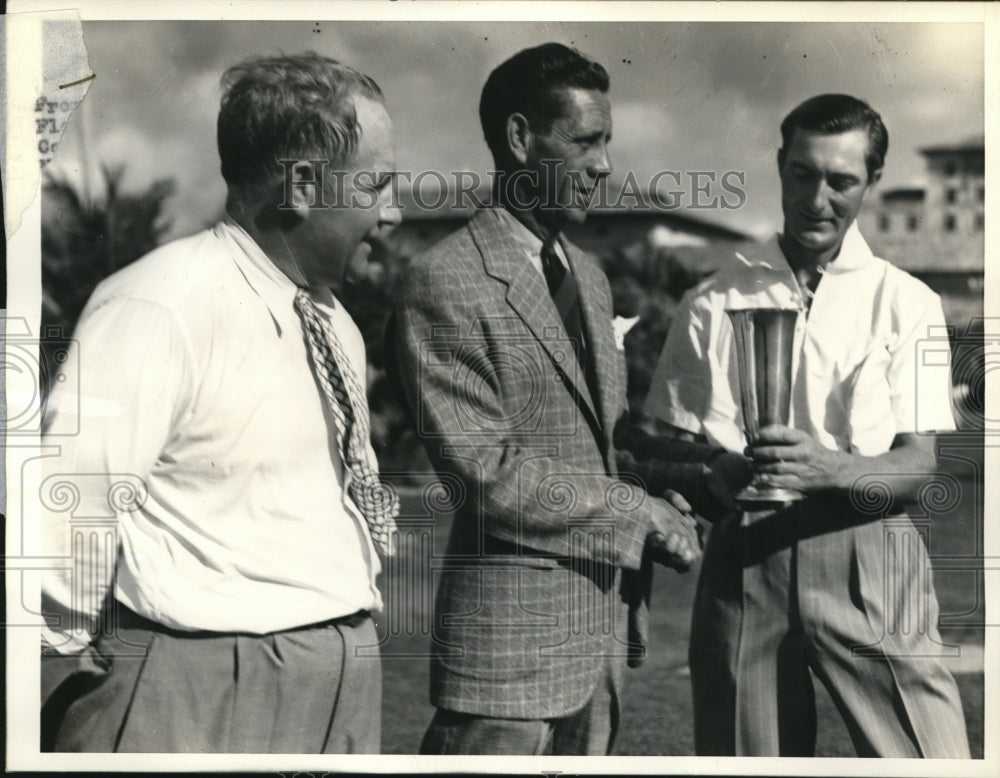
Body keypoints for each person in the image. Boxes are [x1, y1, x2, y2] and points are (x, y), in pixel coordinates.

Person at [39, 52, 401, 753]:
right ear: (302, 186)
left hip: (341, 672)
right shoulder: (158, 304)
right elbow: (66, 513)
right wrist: (68, 669)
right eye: (377, 183)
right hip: (199, 683)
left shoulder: (337, 324)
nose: (394, 211)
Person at [385, 42, 714, 756]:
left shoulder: (588, 276)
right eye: (586, 142)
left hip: (600, 644)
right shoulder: (444, 279)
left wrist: (696, 478)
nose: (603, 165)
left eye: (607, 143)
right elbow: (485, 473)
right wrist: (639, 513)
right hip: (507, 664)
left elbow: (601, 443)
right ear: (519, 139)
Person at [645, 93, 970, 757]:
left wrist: (829, 467)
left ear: (872, 182)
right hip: (744, 562)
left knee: (933, 762)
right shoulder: (710, 300)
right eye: (803, 174)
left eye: (841, 181)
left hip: (869, 555)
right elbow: (664, 449)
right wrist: (709, 474)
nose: (817, 199)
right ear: (780, 165)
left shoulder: (906, 301)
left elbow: (919, 464)